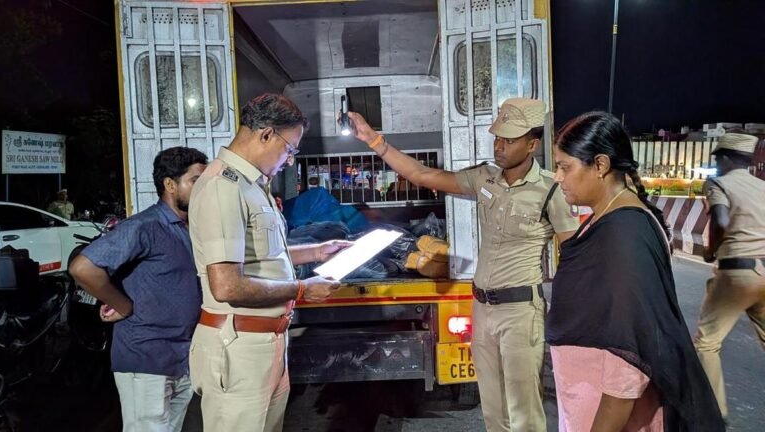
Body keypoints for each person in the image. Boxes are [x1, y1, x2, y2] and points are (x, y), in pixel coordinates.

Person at [346, 98, 579, 432]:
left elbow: (573, 253)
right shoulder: (485, 178)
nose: (499, 145)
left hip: (520, 313)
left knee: (524, 414)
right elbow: (422, 175)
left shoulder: (550, 191)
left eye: (509, 139)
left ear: (532, 144)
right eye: (497, 137)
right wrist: (374, 141)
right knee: (494, 412)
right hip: (481, 308)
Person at [547, 111, 724, 431]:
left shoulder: (624, 235)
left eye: (565, 166)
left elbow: (626, 363)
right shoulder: (607, 219)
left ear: (600, 165)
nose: (557, 177)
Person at [188, 93, 350, 432]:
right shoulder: (223, 186)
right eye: (290, 150)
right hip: (239, 348)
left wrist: (317, 251)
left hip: (266, 345)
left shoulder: (251, 185)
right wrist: (304, 289)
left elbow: (259, 254)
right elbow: (227, 285)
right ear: (265, 134)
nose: (290, 161)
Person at [69, 147, 208, 432]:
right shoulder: (145, 226)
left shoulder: (189, 227)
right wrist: (124, 305)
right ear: (170, 184)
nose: (204, 189)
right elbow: (83, 268)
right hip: (146, 359)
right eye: (196, 181)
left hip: (182, 358)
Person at [694, 132, 765, 420]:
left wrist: (711, 251)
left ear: (724, 158)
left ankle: (715, 412)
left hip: (736, 273)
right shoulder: (762, 187)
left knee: (706, 343)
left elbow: (721, 221)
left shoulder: (718, 183)